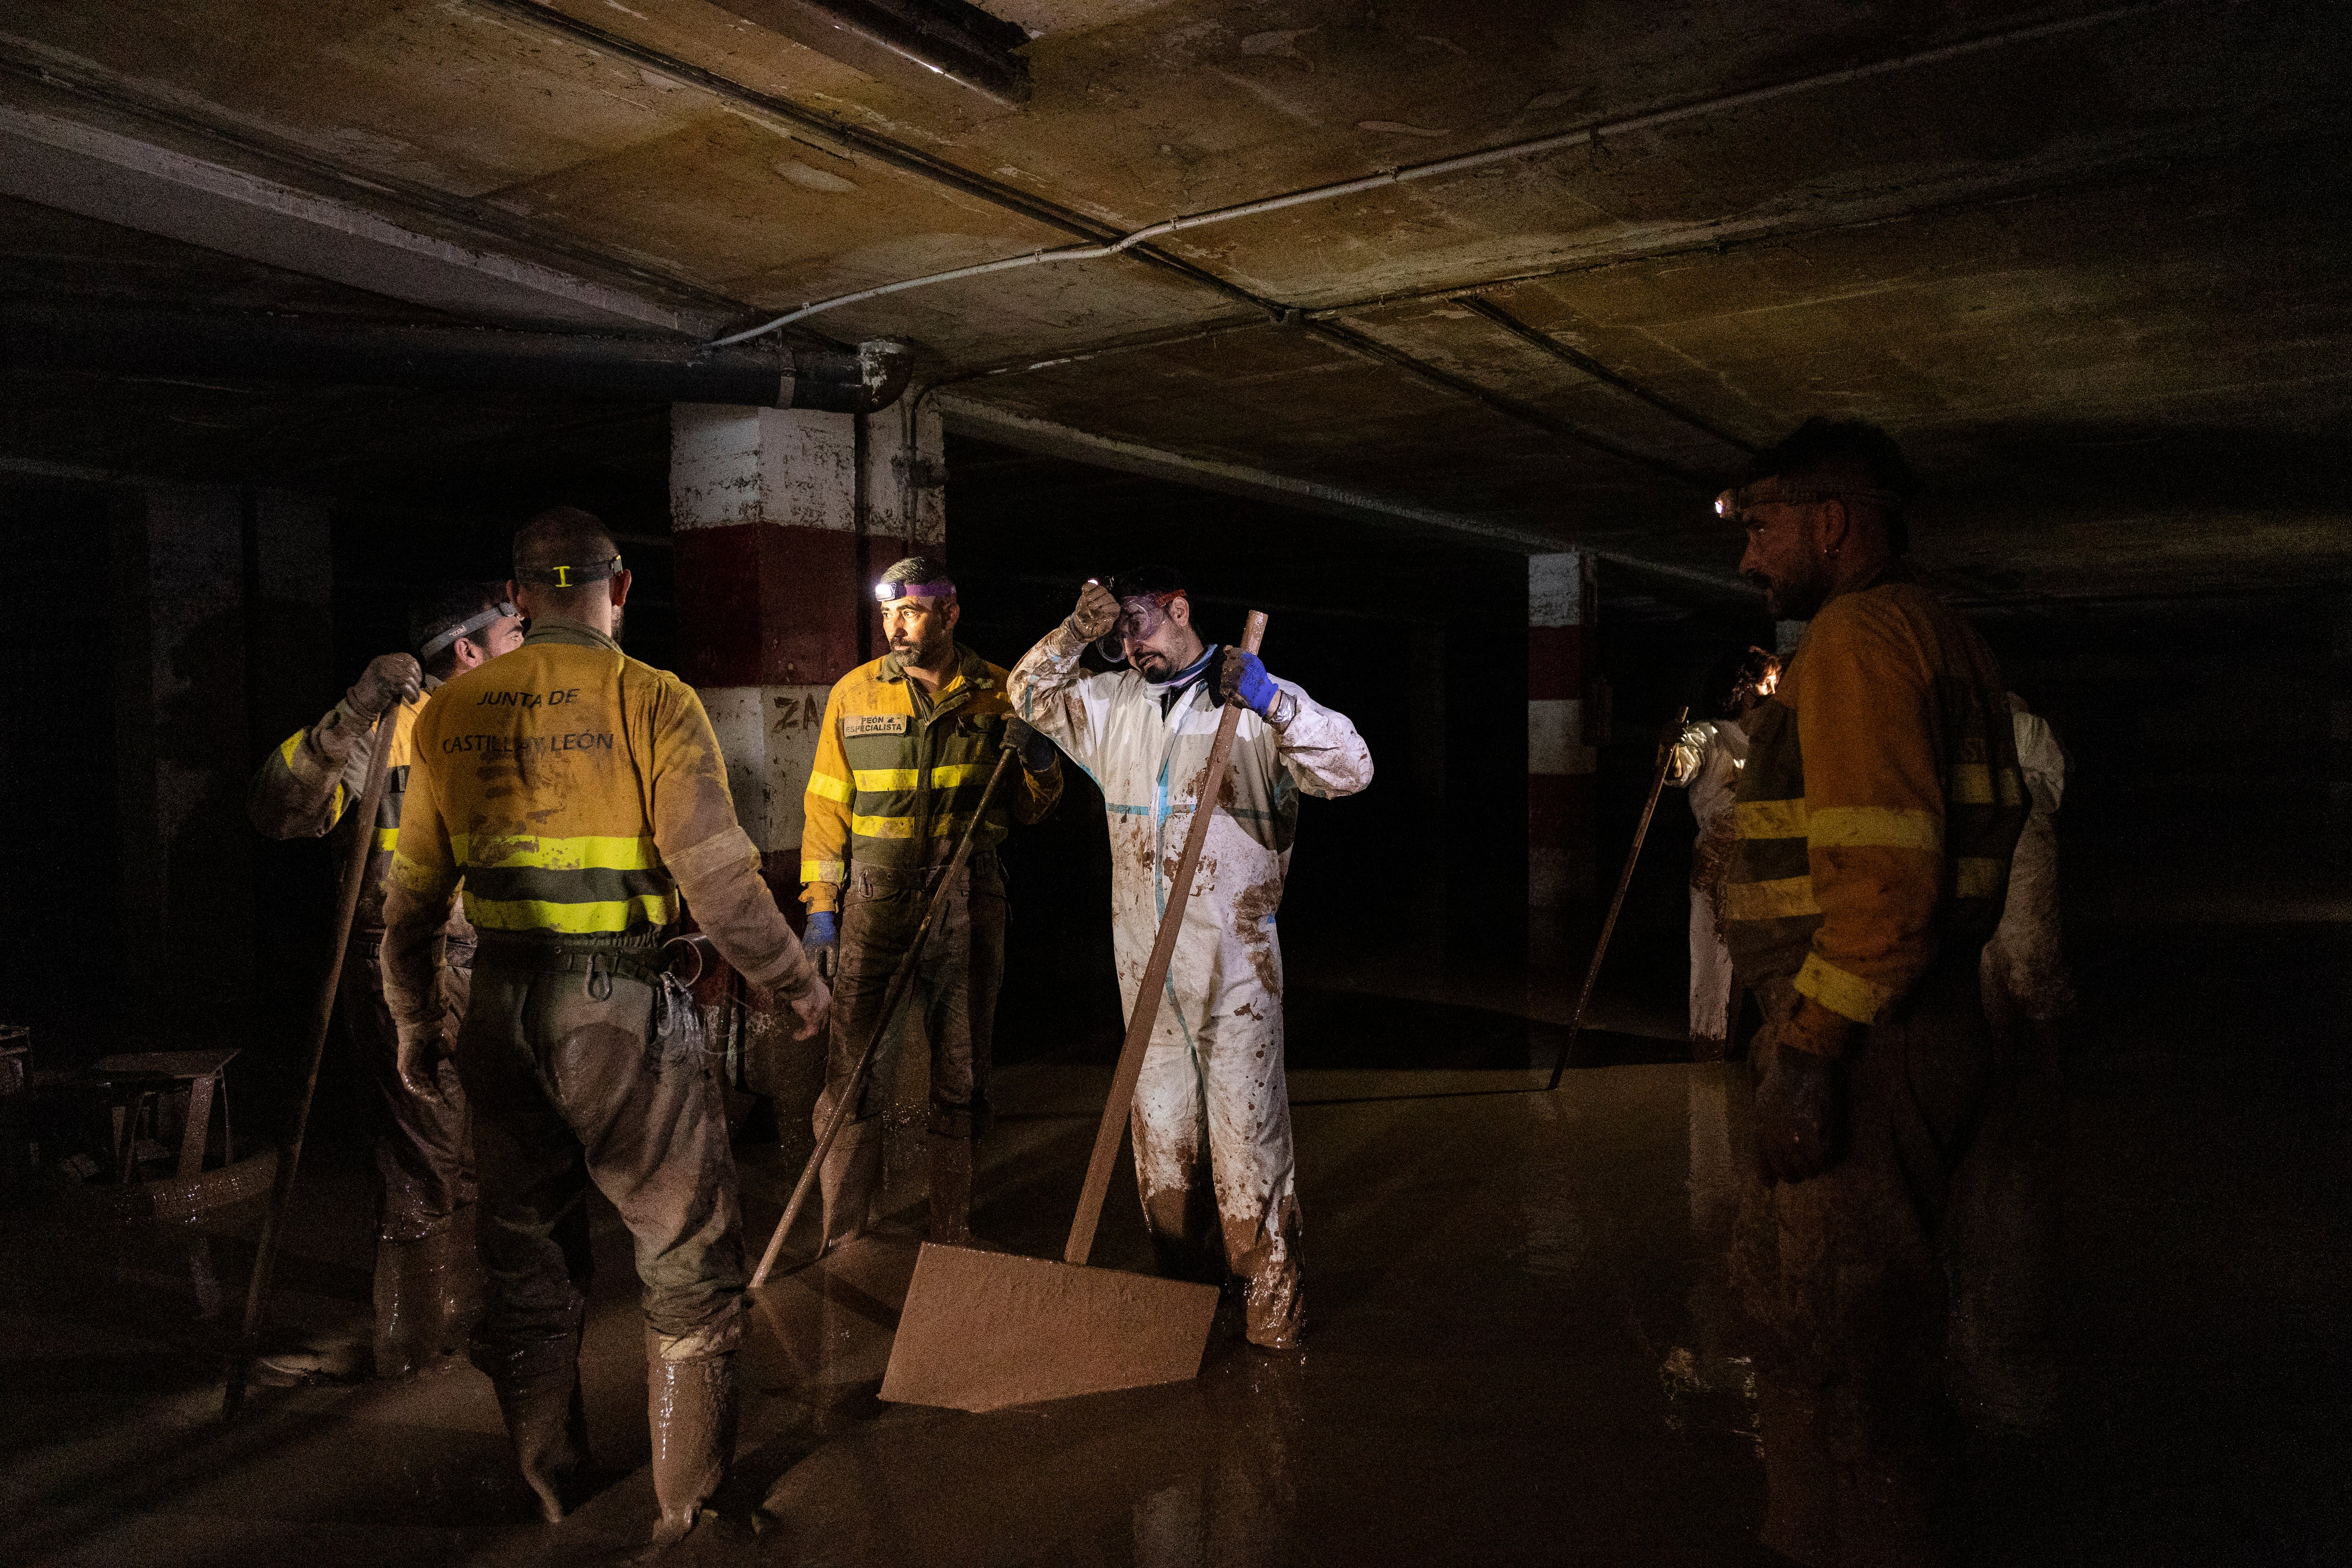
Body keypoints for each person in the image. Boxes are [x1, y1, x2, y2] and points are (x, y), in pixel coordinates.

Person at [380, 506, 830, 1544]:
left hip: (497, 1002)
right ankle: (691, 1507)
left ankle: (551, 1485)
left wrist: (415, 1025)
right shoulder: (650, 699)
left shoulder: (449, 714)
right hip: (623, 1011)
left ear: (521, 594)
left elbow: (407, 908)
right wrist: (793, 982)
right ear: (618, 590)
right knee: (684, 1253)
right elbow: (716, 880)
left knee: (526, 1258)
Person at [1715, 418, 2029, 1566]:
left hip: (1867, 1040)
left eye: (1762, 526)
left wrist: (1806, 1050)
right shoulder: (1942, 634)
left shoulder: (1854, 639)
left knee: (1863, 1366)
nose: (1750, 558)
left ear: (1832, 522)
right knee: (1822, 1332)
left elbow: (1887, 885)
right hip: (1916, 1025)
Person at [1006, 565, 1372, 1350]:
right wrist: (1077, 632)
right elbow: (1029, 693)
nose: (1129, 646)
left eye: (1136, 624)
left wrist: (1275, 700)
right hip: (1148, 980)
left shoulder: (1256, 710)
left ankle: (1275, 1325)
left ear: (1178, 608)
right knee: (1164, 1157)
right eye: (1116, 637)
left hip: (1237, 976)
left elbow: (1352, 769)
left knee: (1249, 1152)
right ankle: (1189, 1320)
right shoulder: (1112, 709)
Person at [247, 583, 524, 1377]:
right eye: (512, 631)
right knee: (423, 1156)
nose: (527, 640)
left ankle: (457, 1314)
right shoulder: (385, 731)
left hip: (498, 959)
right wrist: (352, 709)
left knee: (475, 1153)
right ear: (466, 648)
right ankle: (409, 1345)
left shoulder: (510, 722)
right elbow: (278, 810)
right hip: (408, 968)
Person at [797, 556, 1063, 1249]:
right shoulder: (855, 694)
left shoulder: (1001, 692)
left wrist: (1039, 760)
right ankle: (846, 1234)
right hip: (876, 904)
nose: (895, 626)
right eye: (888, 612)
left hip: (970, 896)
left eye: (910, 611)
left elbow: (1036, 810)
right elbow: (826, 806)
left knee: (962, 1070)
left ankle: (952, 1229)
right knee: (853, 1073)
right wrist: (821, 907)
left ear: (949, 614)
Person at [1665, 645, 1780, 1059]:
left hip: (1770, 869)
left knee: (1774, 968)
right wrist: (1670, 753)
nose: (1774, 692)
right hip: (1718, 869)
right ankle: (1708, 1062)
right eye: (1768, 683)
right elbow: (1680, 769)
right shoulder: (1710, 734)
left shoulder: (1774, 741)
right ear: (1745, 687)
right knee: (1713, 971)